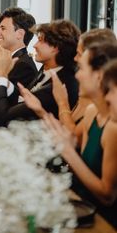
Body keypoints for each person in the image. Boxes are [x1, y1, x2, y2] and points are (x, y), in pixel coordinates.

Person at [43, 42, 117, 228]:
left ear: (98, 76)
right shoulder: (92, 112)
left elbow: (106, 196)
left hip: (99, 222)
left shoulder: (113, 129)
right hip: (78, 206)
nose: (76, 75)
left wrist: (68, 152)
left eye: (82, 68)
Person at [19, 28, 117, 134]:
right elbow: (67, 133)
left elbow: (73, 136)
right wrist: (40, 111)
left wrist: (62, 103)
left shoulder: (96, 104)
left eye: (79, 54)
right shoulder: (85, 96)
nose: (75, 58)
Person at [0, 19, 80, 128]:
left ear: (55, 48)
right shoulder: (49, 71)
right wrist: (6, 84)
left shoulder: (60, 85)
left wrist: (1, 77)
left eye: (40, 40)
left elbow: (1, 121)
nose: (35, 45)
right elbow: (22, 102)